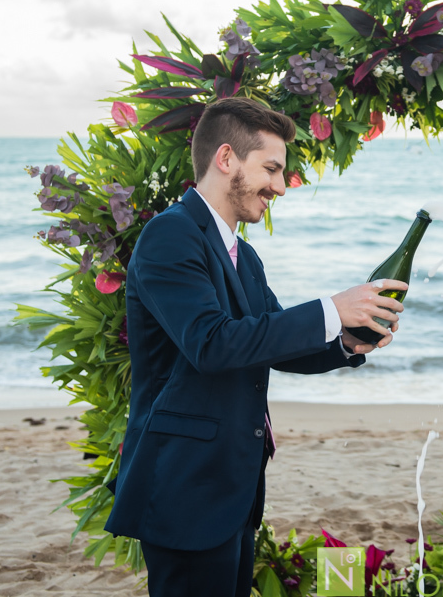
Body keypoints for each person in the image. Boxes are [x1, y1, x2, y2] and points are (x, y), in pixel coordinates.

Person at [105, 98, 406, 597]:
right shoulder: (169, 236)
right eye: (271, 168)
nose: (280, 186)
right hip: (185, 485)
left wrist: (347, 343)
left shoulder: (244, 256)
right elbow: (211, 343)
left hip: (231, 485)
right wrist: (332, 308)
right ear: (226, 159)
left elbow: (269, 342)